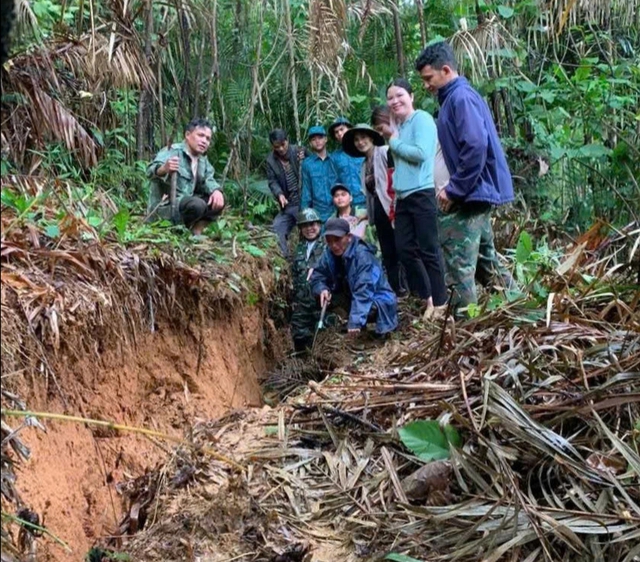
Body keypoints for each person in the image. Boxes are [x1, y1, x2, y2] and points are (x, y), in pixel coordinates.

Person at [415, 41, 515, 311]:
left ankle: (467, 339)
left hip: (467, 197)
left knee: (458, 273)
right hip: (473, 194)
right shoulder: (454, 99)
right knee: (487, 265)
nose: (426, 85)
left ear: (445, 70)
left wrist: (454, 189)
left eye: (428, 78)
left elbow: (475, 145)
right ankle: (522, 309)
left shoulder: (460, 98)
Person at [379, 79, 448, 316]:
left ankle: (440, 303)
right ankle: (428, 297)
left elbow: (420, 154)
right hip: (403, 198)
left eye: (399, 95)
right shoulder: (399, 127)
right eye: (390, 98)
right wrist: (394, 136)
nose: (394, 101)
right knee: (405, 249)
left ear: (411, 96)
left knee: (429, 249)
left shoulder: (422, 120)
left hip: (422, 193)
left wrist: (393, 141)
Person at [341, 122, 404, 295]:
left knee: (402, 248)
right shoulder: (363, 165)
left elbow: (394, 179)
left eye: (363, 138)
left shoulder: (384, 152)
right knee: (387, 250)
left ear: (371, 137)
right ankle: (395, 289)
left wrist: (396, 206)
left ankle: (409, 287)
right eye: (356, 140)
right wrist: (367, 215)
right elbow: (371, 194)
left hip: (392, 206)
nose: (360, 142)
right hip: (378, 209)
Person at [311, 218, 398, 336]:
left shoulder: (362, 256)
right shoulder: (329, 253)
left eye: (337, 240)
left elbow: (364, 290)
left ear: (349, 237)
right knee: (319, 299)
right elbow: (318, 274)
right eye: (329, 241)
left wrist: (355, 322)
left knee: (371, 308)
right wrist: (322, 289)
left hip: (377, 298)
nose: (334, 245)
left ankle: (364, 325)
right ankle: (340, 322)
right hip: (350, 295)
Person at [146, 118, 225, 235]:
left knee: (219, 199)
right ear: (188, 135)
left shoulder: (202, 161)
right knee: (197, 205)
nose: (204, 141)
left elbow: (209, 180)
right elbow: (149, 171)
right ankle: (176, 230)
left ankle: (196, 230)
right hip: (167, 208)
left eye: (208, 138)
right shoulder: (173, 150)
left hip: (187, 203)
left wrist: (216, 191)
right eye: (200, 135)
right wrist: (164, 168)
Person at [266, 129, 306, 258]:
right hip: (288, 205)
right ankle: (285, 259)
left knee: (308, 229)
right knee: (277, 228)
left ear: (287, 141)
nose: (281, 149)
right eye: (277, 147)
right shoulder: (270, 161)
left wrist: (305, 158)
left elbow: (313, 163)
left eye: (283, 144)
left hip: (304, 202)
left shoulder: (298, 151)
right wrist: (279, 194)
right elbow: (272, 181)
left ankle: (307, 259)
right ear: (273, 146)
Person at [290, 208, 326, 351]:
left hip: (320, 300)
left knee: (321, 335)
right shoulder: (299, 248)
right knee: (299, 335)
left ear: (319, 225)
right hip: (301, 302)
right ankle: (300, 362)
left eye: (312, 224)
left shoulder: (327, 245)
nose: (309, 228)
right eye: (305, 225)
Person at [300, 126, 340, 222]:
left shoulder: (335, 160)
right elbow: (306, 191)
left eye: (320, 138)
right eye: (313, 139)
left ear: (325, 139)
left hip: (337, 210)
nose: (317, 141)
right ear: (310, 143)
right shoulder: (307, 164)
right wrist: (304, 214)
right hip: (318, 213)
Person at [328, 117, 366, 208]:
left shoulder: (363, 150)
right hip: (347, 204)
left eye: (342, 129)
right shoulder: (335, 157)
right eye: (336, 132)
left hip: (367, 199)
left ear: (349, 130)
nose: (339, 134)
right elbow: (334, 181)